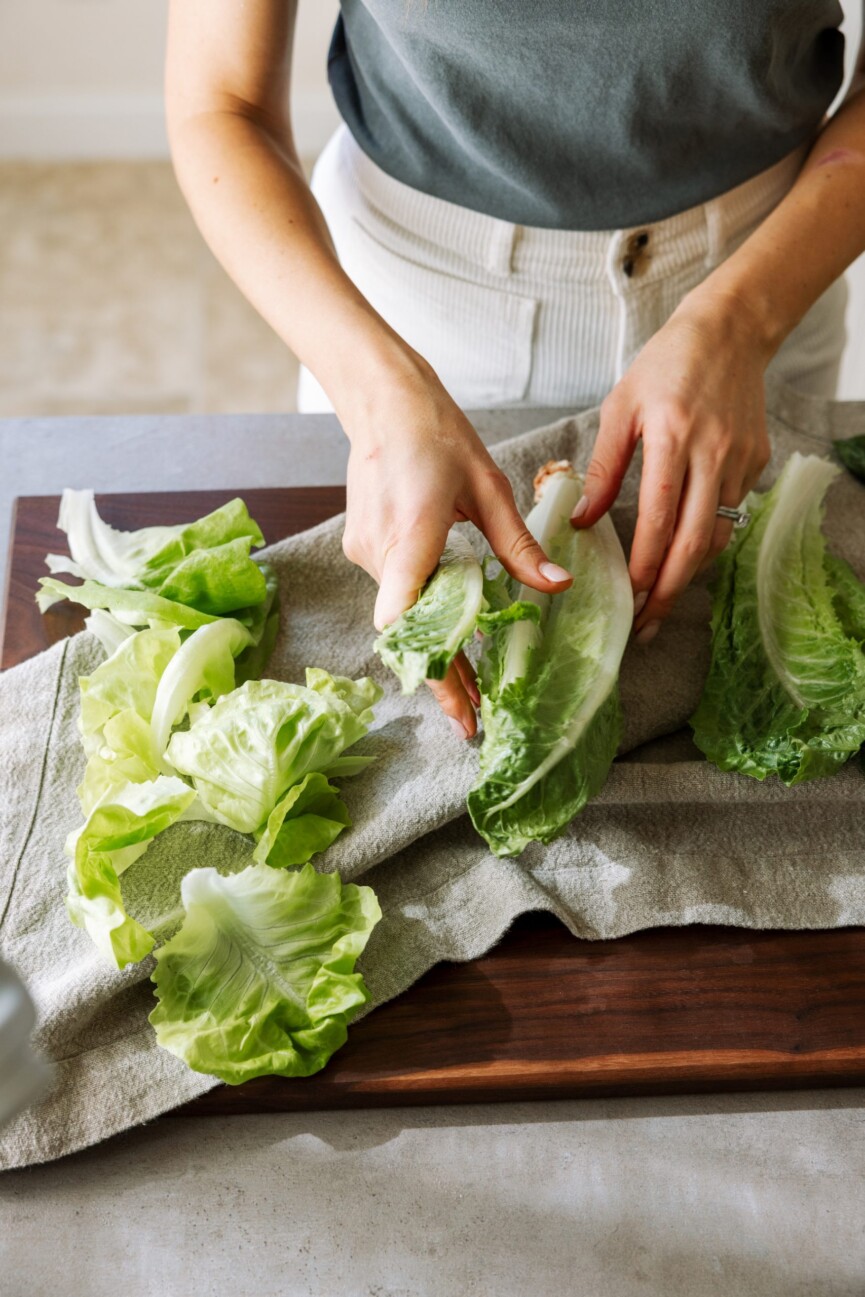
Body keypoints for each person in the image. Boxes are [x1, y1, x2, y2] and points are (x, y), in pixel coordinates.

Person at [165, 1, 865, 739]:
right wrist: (378, 401)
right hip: (410, 318)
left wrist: (739, 323)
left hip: (766, 284)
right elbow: (220, 105)